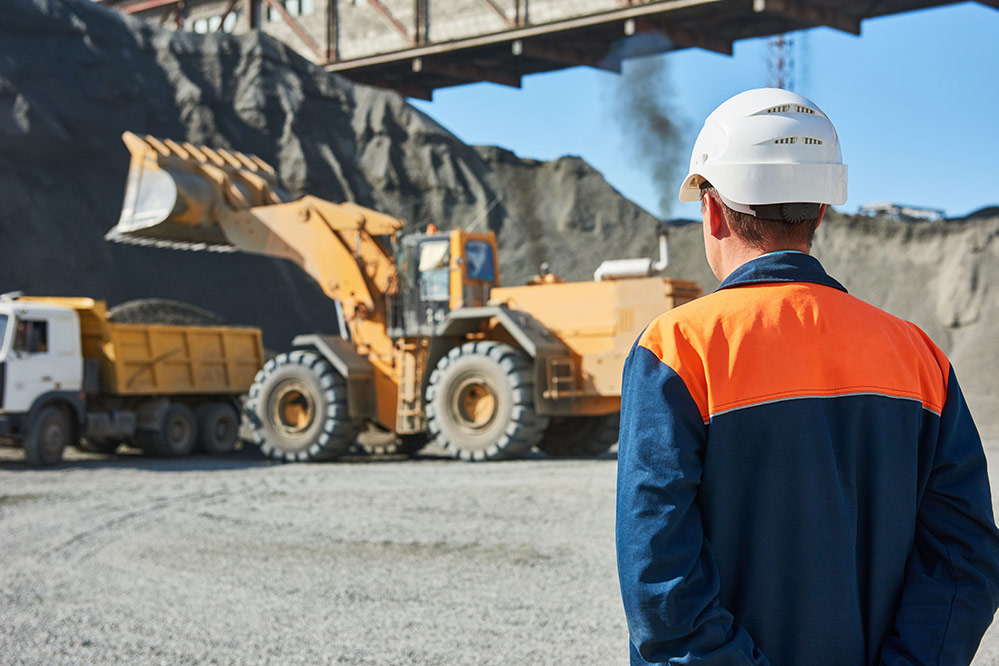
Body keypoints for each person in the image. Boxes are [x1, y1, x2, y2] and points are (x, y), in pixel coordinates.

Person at [616, 88, 999, 665]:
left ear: (712, 210)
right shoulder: (920, 358)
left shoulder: (678, 350)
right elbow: (963, 558)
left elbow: (659, 579)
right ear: (820, 210)